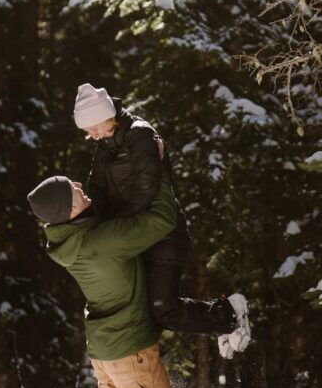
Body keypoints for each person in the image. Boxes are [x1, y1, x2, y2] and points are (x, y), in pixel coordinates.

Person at [27, 173, 178, 388]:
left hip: (106, 353)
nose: (80, 186)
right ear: (68, 209)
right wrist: (162, 177)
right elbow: (162, 220)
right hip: (131, 351)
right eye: (73, 190)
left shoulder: (70, 240)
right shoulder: (100, 241)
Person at [72, 83, 250, 359]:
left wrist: (118, 229)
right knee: (145, 311)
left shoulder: (141, 135)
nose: (90, 134)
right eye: (87, 130)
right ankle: (221, 323)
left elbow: (147, 188)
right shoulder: (104, 145)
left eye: (92, 126)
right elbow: (97, 188)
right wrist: (86, 214)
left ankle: (228, 314)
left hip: (162, 235)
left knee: (162, 308)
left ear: (106, 115)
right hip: (133, 237)